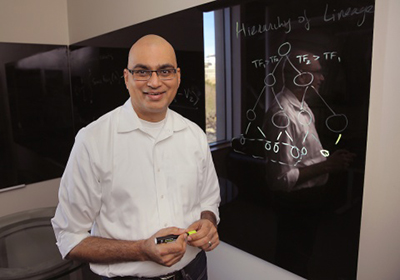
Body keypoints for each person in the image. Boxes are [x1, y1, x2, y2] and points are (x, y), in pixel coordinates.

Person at [51, 34, 221, 280]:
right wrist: (141, 250)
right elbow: (69, 238)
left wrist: (208, 222)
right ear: (126, 77)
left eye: (165, 71)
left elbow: (208, 201)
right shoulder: (93, 141)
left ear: (178, 76)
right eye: (142, 71)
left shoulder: (194, 135)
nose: (155, 82)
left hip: (193, 272)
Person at [262, 49, 355, 277]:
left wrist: (329, 158)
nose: (322, 78)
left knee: (303, 254)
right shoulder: (283, 115)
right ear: (300, 77)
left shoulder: (304, 108)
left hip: (309, 201)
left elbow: (303, 156)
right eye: (317, 72)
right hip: (295, 204)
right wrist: (327, 166)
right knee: (291, 260)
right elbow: (281, 179)